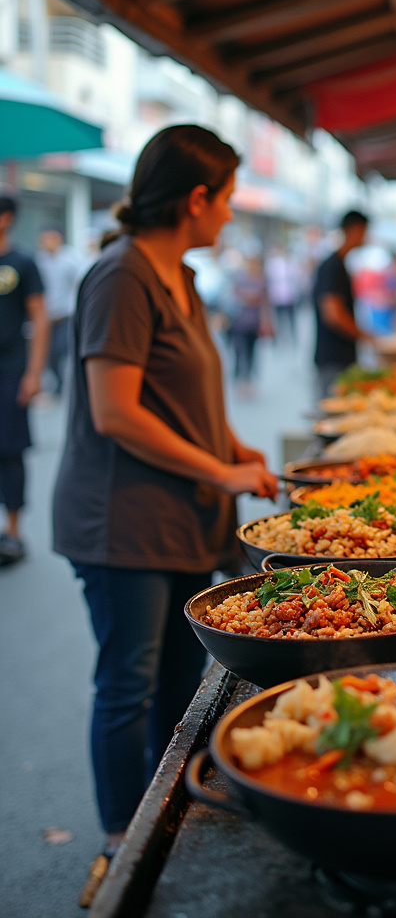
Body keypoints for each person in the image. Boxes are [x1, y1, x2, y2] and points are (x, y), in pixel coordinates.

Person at [50, 126, 278, 897]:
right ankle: (123, 842)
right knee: (129, 683)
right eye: (229, 198)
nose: (232, 214)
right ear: (196, 199)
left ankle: (172, 817)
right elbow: (115, 411)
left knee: (182, 678)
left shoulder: (180, 274)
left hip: (184, 517)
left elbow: (189, 391)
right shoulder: (121, 276)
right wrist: (220, 469)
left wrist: (236, 449)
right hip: (124, 523)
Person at [0, 196, 50, 565]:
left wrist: (34, 373)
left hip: (11, 369)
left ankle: (13, 532)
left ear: (7, 218)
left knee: (10, 450)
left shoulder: (23, 262)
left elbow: (40, 318)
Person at [313, 209, 371, 399]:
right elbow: (333, 314)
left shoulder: (340, 264)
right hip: (333, 358)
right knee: (333, 407)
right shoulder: (332, 266)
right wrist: (365, 336)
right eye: (365, 231)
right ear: (355, 230)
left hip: (340, 357)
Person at [36, 226, 81, 395]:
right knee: (49, 355)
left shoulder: (71, 259)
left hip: (65, 315)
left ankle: (66, 386)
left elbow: (79, 285)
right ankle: (58, 385)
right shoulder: (39, 260)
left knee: (61, 350)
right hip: (47, 316)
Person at [225, 255, 273, 394]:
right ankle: (239, 380)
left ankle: (249, 380)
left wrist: (266, 322)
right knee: (239, 352)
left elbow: (264, 303)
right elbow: (236, 295)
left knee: (252, 353)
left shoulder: (262, 280)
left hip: (254, 324)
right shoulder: (240, 278)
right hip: (239, 323)